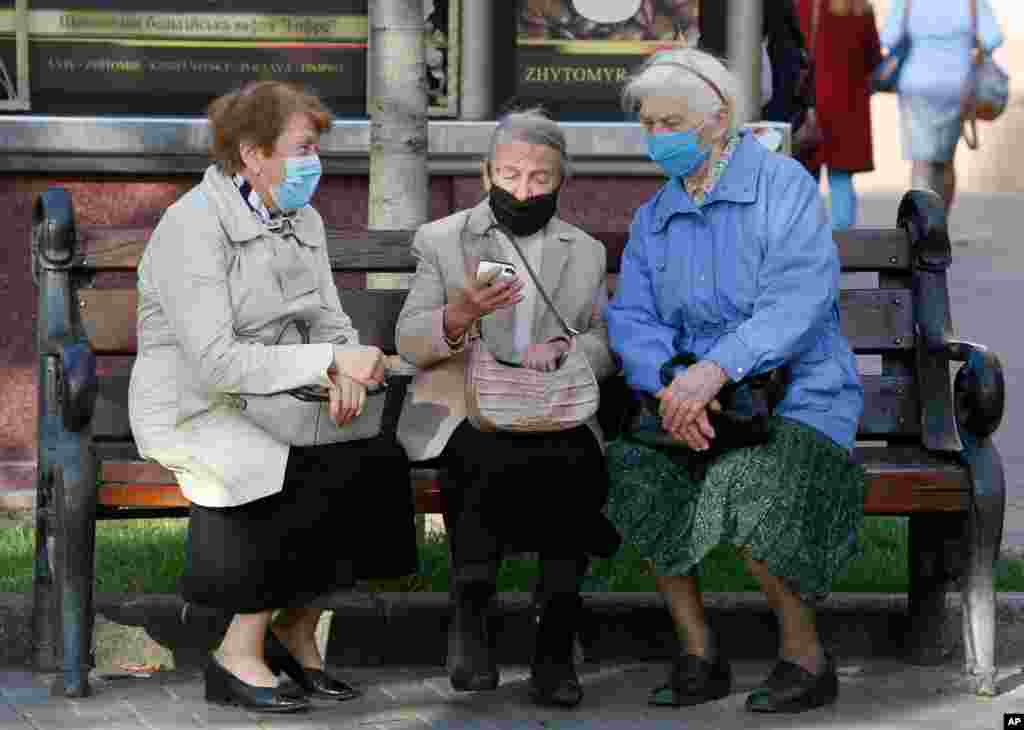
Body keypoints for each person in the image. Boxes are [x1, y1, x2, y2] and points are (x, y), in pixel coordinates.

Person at [128, 81, 418, 713]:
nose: (314, 162)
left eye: (316, 147)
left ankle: (297, 630)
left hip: (281, 395)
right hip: (196, 404)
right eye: (302, 147)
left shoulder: (302, 219)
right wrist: (329, 360)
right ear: (253, 153)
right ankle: (236, 654)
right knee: (288, 474)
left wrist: (344, 369)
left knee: (374, 467)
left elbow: (329, 320)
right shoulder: (192, 227)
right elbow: (216, 361)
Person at [605, 48, 866, 713]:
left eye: (672, 122)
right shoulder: (655, 215)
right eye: (649, 124)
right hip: (693, 403)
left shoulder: (782, 186)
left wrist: (716, 369)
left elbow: (799, 301)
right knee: (635, 472)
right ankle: (699, 652)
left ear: (718, 120)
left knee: (746, 483)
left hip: (796, 398)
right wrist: (672, 384)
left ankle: (804, 656)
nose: (657, 138)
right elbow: (633, 317)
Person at [395, 109, 621, 708]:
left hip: (555, 406)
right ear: (486, 172)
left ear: (560, 181)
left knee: (573, 459)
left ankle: (554, 643)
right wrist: (458, 315)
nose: (523, 190)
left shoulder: (586, 251)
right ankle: (471, 616)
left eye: (539, 179)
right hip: (468, 405)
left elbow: (603, 341)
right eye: (511, 174)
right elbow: (410, 341)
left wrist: (569, 350)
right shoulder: (442, 240)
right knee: (481, 453)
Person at [880, 0, 1004, 212]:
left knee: (921, 162)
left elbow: (889, 38)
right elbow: (992, 38)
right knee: (944, 161)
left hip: (916, 86)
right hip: (957, 88)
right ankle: (940, 225)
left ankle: (923, 228)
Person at [798, 0, 882, 230]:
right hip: (848, 106)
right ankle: (842, 242)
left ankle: (806, 237)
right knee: (841, 177)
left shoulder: (803, 6)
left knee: (805, 176)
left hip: (812, 102)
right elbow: (874, 60)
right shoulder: (860, 9)